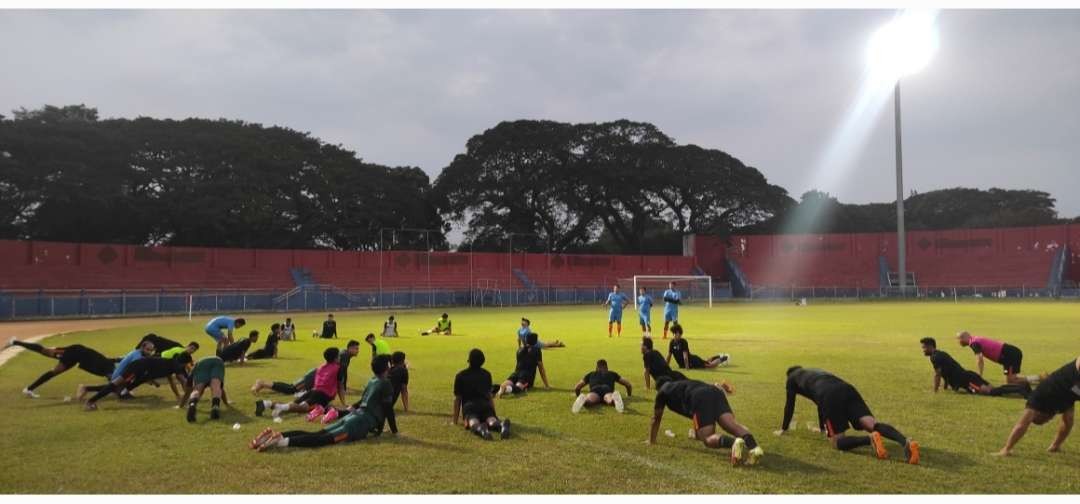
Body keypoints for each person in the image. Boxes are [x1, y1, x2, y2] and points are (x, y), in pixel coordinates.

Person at [249, 355, 396, 451]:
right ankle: (280, 441)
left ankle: (279, 435)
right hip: (359, 422)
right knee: (322, 440)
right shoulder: (386, 383)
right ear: (386, 367)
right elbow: (388, 408)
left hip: (353, 416)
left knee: (318, 433)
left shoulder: (372, 380)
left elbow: (363, 402)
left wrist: (377, 428)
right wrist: (394, 430)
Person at [776, 366, 920, 464]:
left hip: (829, 396)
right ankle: (905, 441)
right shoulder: (815, 372)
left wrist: (784, 428)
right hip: (847, 388)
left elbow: (790, 405)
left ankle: (869, 440)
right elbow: (819, 404)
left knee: (837, 442)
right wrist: (822, 428)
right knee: (871, 424)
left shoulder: (791, 379)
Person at [648, 376, 763, 466]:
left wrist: (651, 441)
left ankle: (734, 443)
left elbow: (656, 418)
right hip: (715, 391)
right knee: (732, 425)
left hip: (700, 397)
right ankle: (754, 448)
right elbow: (695, 414)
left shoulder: (662, 391)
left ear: (657, 388)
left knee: (707, 438)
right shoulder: (681, 384)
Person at [995, 357, 1079, 456]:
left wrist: (1007, 448)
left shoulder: (1036, 399)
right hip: (1073, 390)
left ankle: (1006, 449)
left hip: (1071, 376)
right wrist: (1055, 446)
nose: (1048, 420)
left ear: (1038, 413)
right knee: (1069, 420)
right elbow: (1068, 422)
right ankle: (1055, 446)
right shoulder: (1060, 406)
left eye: (1043, 420)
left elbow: (1022, 424)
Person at [5, 339, 119, 398]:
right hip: (75, 353)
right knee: (51, 363)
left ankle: (15, 342)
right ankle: (29, 389)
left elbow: (112, 379)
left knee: (45, 352)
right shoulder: (110, 370)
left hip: (77, 353)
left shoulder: (110, 367)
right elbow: (113, 383)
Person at [920, 337, 1029, 397]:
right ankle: (1022, 388)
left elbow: (938, 375)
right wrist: (945, 387)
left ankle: (1021, 389)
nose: (923, 350)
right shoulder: (940, 354)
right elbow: (946, 373)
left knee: (991, 392)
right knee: (994, 390)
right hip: (969, 376)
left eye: (924, 348)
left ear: (930, 346)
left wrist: (935, 391)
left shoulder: (935, 357)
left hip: (967, 381)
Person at [254, 347, 345, 419]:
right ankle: (267, 404)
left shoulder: (321, 367)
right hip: (322, 395)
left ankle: (269, 404)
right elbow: (340, 387)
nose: (340, 358)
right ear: (336, 358)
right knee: (303, 408)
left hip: (313, 391)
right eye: (339, 356)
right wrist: (343, 403)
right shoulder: (339, 368)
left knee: (293, 406)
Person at [79, 353, 194, 408]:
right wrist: (189, 399)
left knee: (118, 387)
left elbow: (174, 382)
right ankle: (90, 401)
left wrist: (180, 396)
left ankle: (89, 391)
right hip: (138, 367)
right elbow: (184, 382)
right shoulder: (176, 366)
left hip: (141, 370)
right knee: (115, 385)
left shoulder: (172, 363)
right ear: (184, 363)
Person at [453, 348, 511, 440]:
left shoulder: (461, 375)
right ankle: (501, 424)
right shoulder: (486, 374)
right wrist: (494, 413)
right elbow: (489, 395)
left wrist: (455, 420)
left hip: (470, 406)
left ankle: (482, 430)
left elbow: (458, 399)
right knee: (491, 419)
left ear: (469, 360)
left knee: (473, 421)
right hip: (485, 405)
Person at [80, 341, 156, 410]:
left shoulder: (136, 352)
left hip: (122, 374)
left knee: (113, 388)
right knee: (112, 388)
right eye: (147, 349)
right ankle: (89, 398)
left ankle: (87, 390)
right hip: (120, 375)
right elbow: (135, 370)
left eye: (151, 350)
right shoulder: (138, 356)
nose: (149, 352)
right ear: (142, 347)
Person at [957, 331, 1037, 385]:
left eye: (959, 339)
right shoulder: (975, 339)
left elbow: (979, 359)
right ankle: (1037, 378)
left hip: (1010, 356)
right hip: (1010, 355)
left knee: (1010, 381)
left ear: (964, 337)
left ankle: (1039, 378)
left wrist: (979, 375)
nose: (959, 342)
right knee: (1012, 379)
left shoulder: (974, 343)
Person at [496, 332, 549, 397]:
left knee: (506, 383)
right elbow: (541, 369)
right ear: (535, 341)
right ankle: (506, 389)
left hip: (516, 373)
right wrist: (546, 385)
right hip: (526, 376)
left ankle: (496, 388)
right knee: (518, 389)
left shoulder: (519, 349)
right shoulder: (536, 351)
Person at [182, 355, 229, 422]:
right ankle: (215, 406)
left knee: (197, 389)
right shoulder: (194, 368)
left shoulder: (193, 371)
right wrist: (226, 403)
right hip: (217, 361)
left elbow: (188, 392)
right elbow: (221, 389)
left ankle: (192, 405)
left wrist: (181, 405)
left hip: (201, 364)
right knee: (216, 386)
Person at [251, 368, 316, 396]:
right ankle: (262, 383)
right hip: (312, 377)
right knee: (291, 389)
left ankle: (263, 384)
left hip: (314, 376)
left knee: (292, 388)